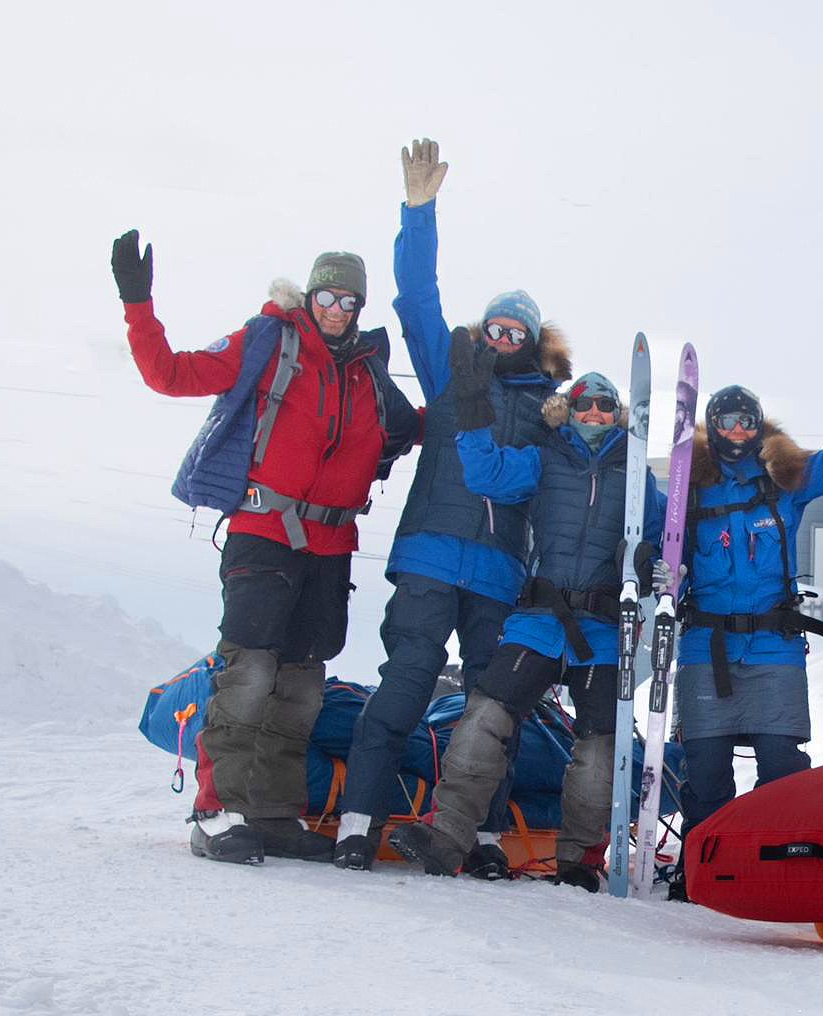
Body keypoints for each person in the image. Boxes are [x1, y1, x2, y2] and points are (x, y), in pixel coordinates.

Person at [111, 231, 420, 865]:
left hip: (332, 546)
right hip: (262, 532)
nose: (337, 308)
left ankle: (276, 814)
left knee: (302, 682)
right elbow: (169, 374)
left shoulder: (368, 371)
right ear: (309, 295)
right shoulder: (269, 341)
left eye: (349, 300)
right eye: (327, 295)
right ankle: (213, 810)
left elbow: (417, 428)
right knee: (249, 670)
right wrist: (138, 303)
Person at [334, 140, 571, 873]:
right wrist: (418, 210)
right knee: (405, 680)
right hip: (432, 553)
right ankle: (357, 823)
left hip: (499, 574)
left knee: (488, 704)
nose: (502, 340)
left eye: (516, 334)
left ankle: (488, 836)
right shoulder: (449, 369)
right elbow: (416, 296)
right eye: (495, 328)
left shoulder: (548, 413)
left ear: (532, 346)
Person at [387, 356, 665, 891]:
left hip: (604, 632)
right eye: (583, 402)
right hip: (538, 620)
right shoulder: (545, 457)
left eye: (605, 405)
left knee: (599, 745)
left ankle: (580, 859)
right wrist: (470, 417)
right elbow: (486, 473)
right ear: (569, 409)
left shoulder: (637, 478)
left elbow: (658, 540)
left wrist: (654, 568)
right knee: (486, 715)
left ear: (618, 415)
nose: (593, 412)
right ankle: (446, 835)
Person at [669, 348, 823, 898]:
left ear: (760, 426)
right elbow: (654, 536)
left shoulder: (786, 480)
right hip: (704, 646)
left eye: (747, 420)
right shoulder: (690, 486)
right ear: (712, 428)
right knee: (707, 771)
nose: (737, 430)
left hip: (774, 648)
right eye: (726, 420)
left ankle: (772, 867)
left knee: (782, 768)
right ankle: (702, 870)